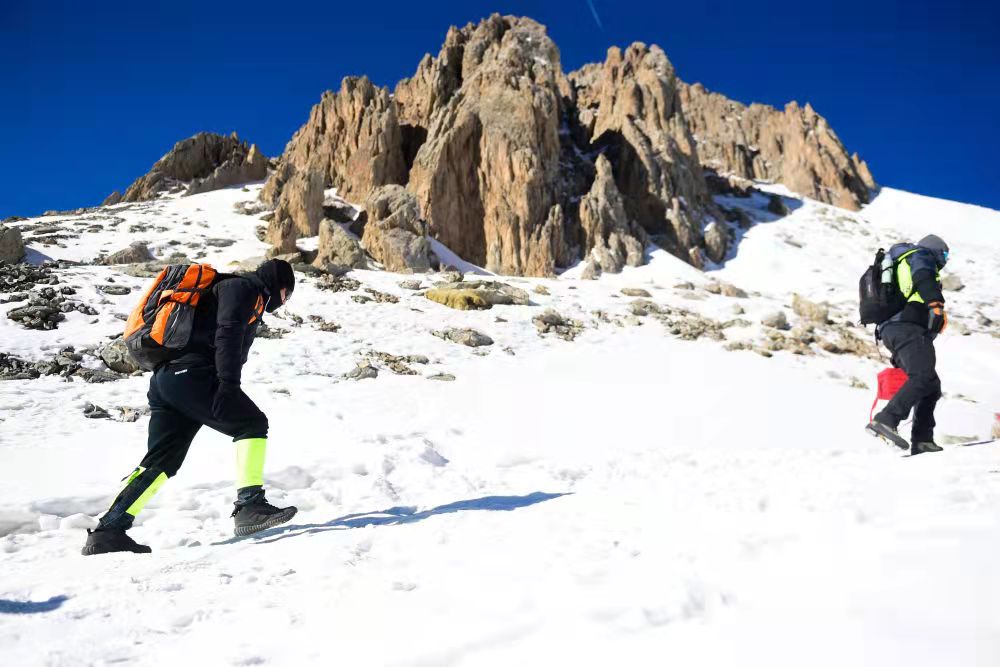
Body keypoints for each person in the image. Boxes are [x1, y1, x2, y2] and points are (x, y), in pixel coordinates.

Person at [82, 259, 299, 555]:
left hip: (166, 381)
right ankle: (250, 504)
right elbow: (228, 333)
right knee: (251, 424)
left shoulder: (226, 288)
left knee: (161, 461)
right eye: (286, 295)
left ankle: (108, 530)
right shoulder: (244, 288)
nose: (283, 301)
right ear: (278, 286)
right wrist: (228, 385)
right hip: (191, 375)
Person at [866, 235, 950, 455]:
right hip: (906, 327)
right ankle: (886, 420)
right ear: (937, 250)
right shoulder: (922, 255)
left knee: (931, 384)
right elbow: (923, 277)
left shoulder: (900, 260)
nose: (946, 259)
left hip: (892, 330)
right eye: (946, 254)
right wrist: (936, 304)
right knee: (923, 377)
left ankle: (923, 440)